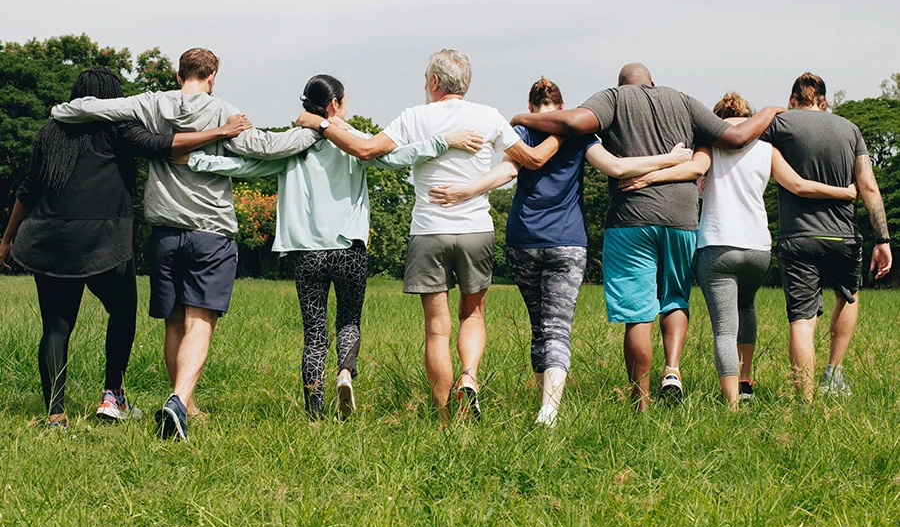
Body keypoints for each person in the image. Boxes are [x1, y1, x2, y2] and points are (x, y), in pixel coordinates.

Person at [50, 48, 320, 441]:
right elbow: (265, 147)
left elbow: (92, 108)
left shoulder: (151, 104)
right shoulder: (222, 110)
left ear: (179, 76)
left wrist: (61, 111)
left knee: (175, 321)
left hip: (164, 233)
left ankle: (185, 402)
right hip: (211, 233)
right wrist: (314, 130)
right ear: (212, 76)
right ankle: (179, 401)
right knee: (201, 321)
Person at [187, 74, 483, 419]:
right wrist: (444, 141)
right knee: (348, 322)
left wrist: (195, 160)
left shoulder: (292, 144)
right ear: (334, 105)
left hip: (308, 253)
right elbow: (399, 156)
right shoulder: (356, 142)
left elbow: (246, 166)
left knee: (314, 333)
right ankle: (345, 371)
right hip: (350, 251)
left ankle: (315, 416)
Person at [296, 50, 563, 424]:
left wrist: (320, 124)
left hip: (428, 231)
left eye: (425, 79)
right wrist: (562, 133)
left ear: (435, 82)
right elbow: (532, 160)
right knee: (473, 314)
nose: (424, 86)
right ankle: (468, 376)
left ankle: (442, 418)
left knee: (436, 329)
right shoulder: (487, 116)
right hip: (474, 230)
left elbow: (366, 149)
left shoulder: (414, 117)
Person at [510, 63, 784, 410]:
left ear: (621, 84)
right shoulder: (683, 101)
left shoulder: (613, 99)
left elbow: (572, 123)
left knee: (638, 312)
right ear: (652, 83)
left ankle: (640, 402)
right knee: (674, 299)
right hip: (681, 217)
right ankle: (672, 369)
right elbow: (737, 137)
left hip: (630, 219)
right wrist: (770, 110)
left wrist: (522, 117)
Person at [428, 77, 692, 427]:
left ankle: (544, 405)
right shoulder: (581, 135)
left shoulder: (522, 133)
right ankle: (548, 412)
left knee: (540, 327)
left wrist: (468, 191)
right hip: (567, 241)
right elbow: (616, 168)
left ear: (531, 106)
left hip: (523, 240)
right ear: (563, 108)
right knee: (557, 327)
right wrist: (669, 159)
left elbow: (506, 171)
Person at [0, 67, 250, 429]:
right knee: (121, 313)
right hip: (105, 242)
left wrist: (7, 239)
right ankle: (111, 396)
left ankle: (56, 414)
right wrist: (222, 131)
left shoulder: (50, 133)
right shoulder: (117, 128)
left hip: (50, 242)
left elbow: (28, 191)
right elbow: (162, 145)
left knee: (56, 327)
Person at [619, 91, 856, 407]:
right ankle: (745, 384)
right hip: (758, 247)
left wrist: (647, 179)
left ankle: (730, 404)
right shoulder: (766, 147)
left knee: (724, 330)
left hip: (717, 243)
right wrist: (845, 192)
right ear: (749, 115)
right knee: (747, 308)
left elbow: (690, 174)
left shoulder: (711, 143)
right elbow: (798, 185)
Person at [759, 73, 892, 402]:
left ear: (792, 100)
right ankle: (833, 373)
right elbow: (869, 187)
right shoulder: (850, 130)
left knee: (802, 321)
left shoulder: (781, 125)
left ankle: (805, 403)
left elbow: (743, 134)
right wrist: (883, 239)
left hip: (799, 238)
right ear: (825, 101)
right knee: (848, 295)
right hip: (843, 237)